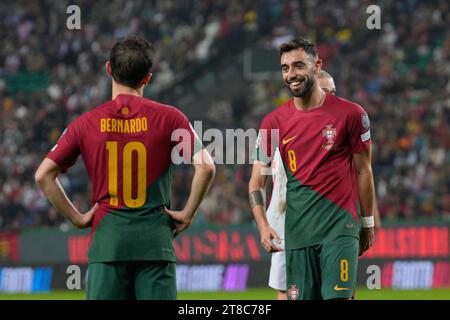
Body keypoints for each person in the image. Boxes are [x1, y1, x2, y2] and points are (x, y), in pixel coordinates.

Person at [35, 35, 215, 300]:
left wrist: (78, 218)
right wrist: (187, 214)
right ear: (148, 78)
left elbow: (43, 175)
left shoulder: (85, 123)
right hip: (155, 246)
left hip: (108, 246)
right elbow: (207, 167)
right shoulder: (170, 118)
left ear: (108, 68)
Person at [249, 38, 376, 300]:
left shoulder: (351, 114)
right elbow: (255, 182)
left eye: (298, 66)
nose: (291, 74)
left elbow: (364, 171)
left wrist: (368, 222)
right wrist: (263, 226)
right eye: (285, 68)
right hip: (296, 236)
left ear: (317, 66)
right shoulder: (273, 122)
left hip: (339, 229)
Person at [266, 69, 338, 300]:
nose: (330, 98)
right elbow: (259, 179)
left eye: (334, 93)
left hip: (330, 221)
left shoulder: (339, 131)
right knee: (287, 290)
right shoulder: (281, 127)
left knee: (339, 288)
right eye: (325, 91)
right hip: (286, 222)